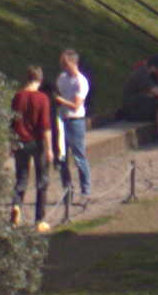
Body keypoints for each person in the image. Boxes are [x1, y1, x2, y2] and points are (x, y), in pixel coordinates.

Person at [50, 50, 95, 214]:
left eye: (65, 63)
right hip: (62, 120)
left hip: (75, 121)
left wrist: (59, 100)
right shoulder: (62, 78)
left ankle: (86, 191)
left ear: (72, 63)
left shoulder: (81, 81)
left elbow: (76, 105)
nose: (62, 66)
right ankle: (67, 189)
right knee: (62, 156)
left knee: (79, 156)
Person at [9, 68, 54, 224]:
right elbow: (46, 126)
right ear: (40, 80)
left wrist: (11, 143)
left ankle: (16, 206)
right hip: (37, 142)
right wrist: (49, 149)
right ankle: (39, 219)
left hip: (20, 141)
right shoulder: (42, 98)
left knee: (21, 178)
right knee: (42, 180)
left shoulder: (17, 96)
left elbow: (12, 122)